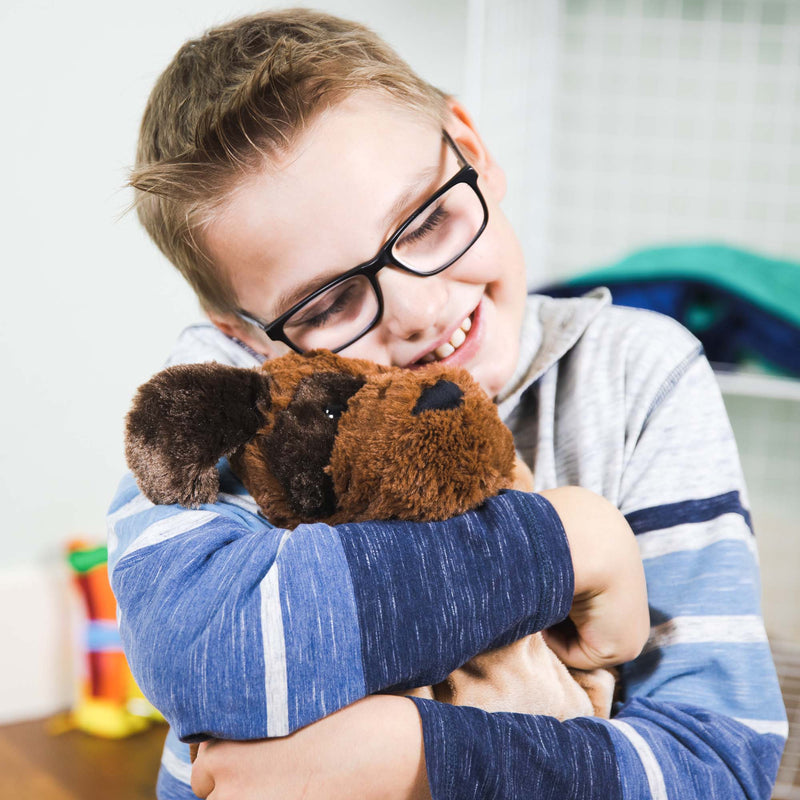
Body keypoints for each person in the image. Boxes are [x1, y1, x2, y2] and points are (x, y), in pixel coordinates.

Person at [109, 8, 787, 799]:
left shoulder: (641, 375)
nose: (423, 309)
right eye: (328, 306)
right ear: (247, 334)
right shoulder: (226, 399)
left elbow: (723, 765)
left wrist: (415, 757)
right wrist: (565, 546)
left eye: (427, 221)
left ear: (471, 147)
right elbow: (199, 653)